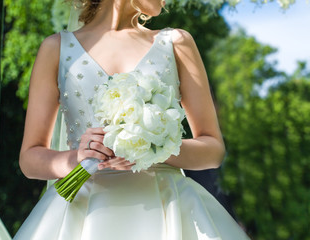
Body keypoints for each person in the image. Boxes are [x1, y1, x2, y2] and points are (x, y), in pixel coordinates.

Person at [13, 0, 250, 239]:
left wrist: (153, 148)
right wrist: (76, 157)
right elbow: (29, 158)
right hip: (83, 214)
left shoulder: (177, 43)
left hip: (169, 209)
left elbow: (213, 149)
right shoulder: (56, 48)